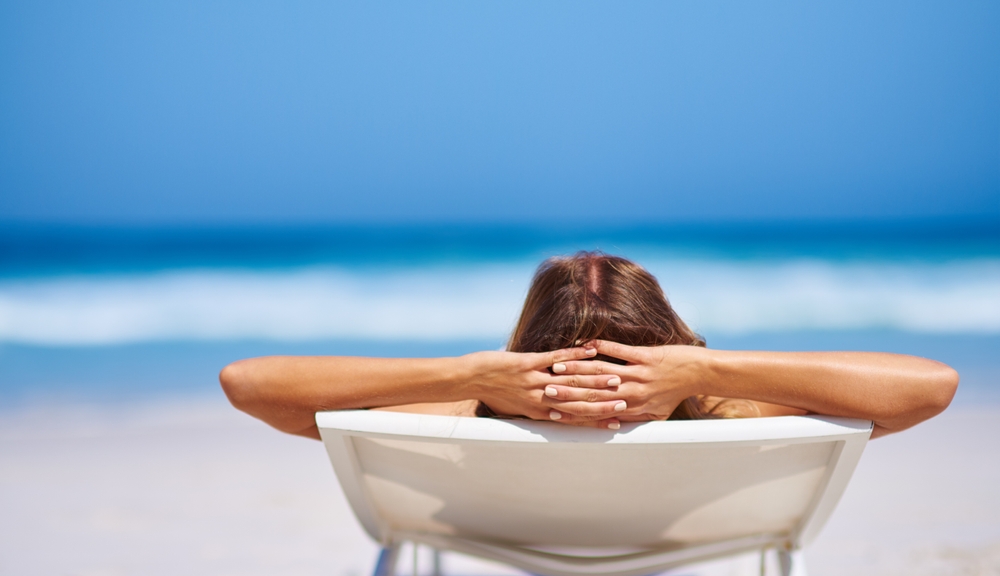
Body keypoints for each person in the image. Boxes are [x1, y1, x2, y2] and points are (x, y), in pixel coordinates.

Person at [220, 252, 958, 440]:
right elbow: (930, 387)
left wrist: (470, 376)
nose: (603, 396)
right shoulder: (724, 414)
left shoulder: (460, 416)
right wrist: (705, 371)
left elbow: (249, 384)